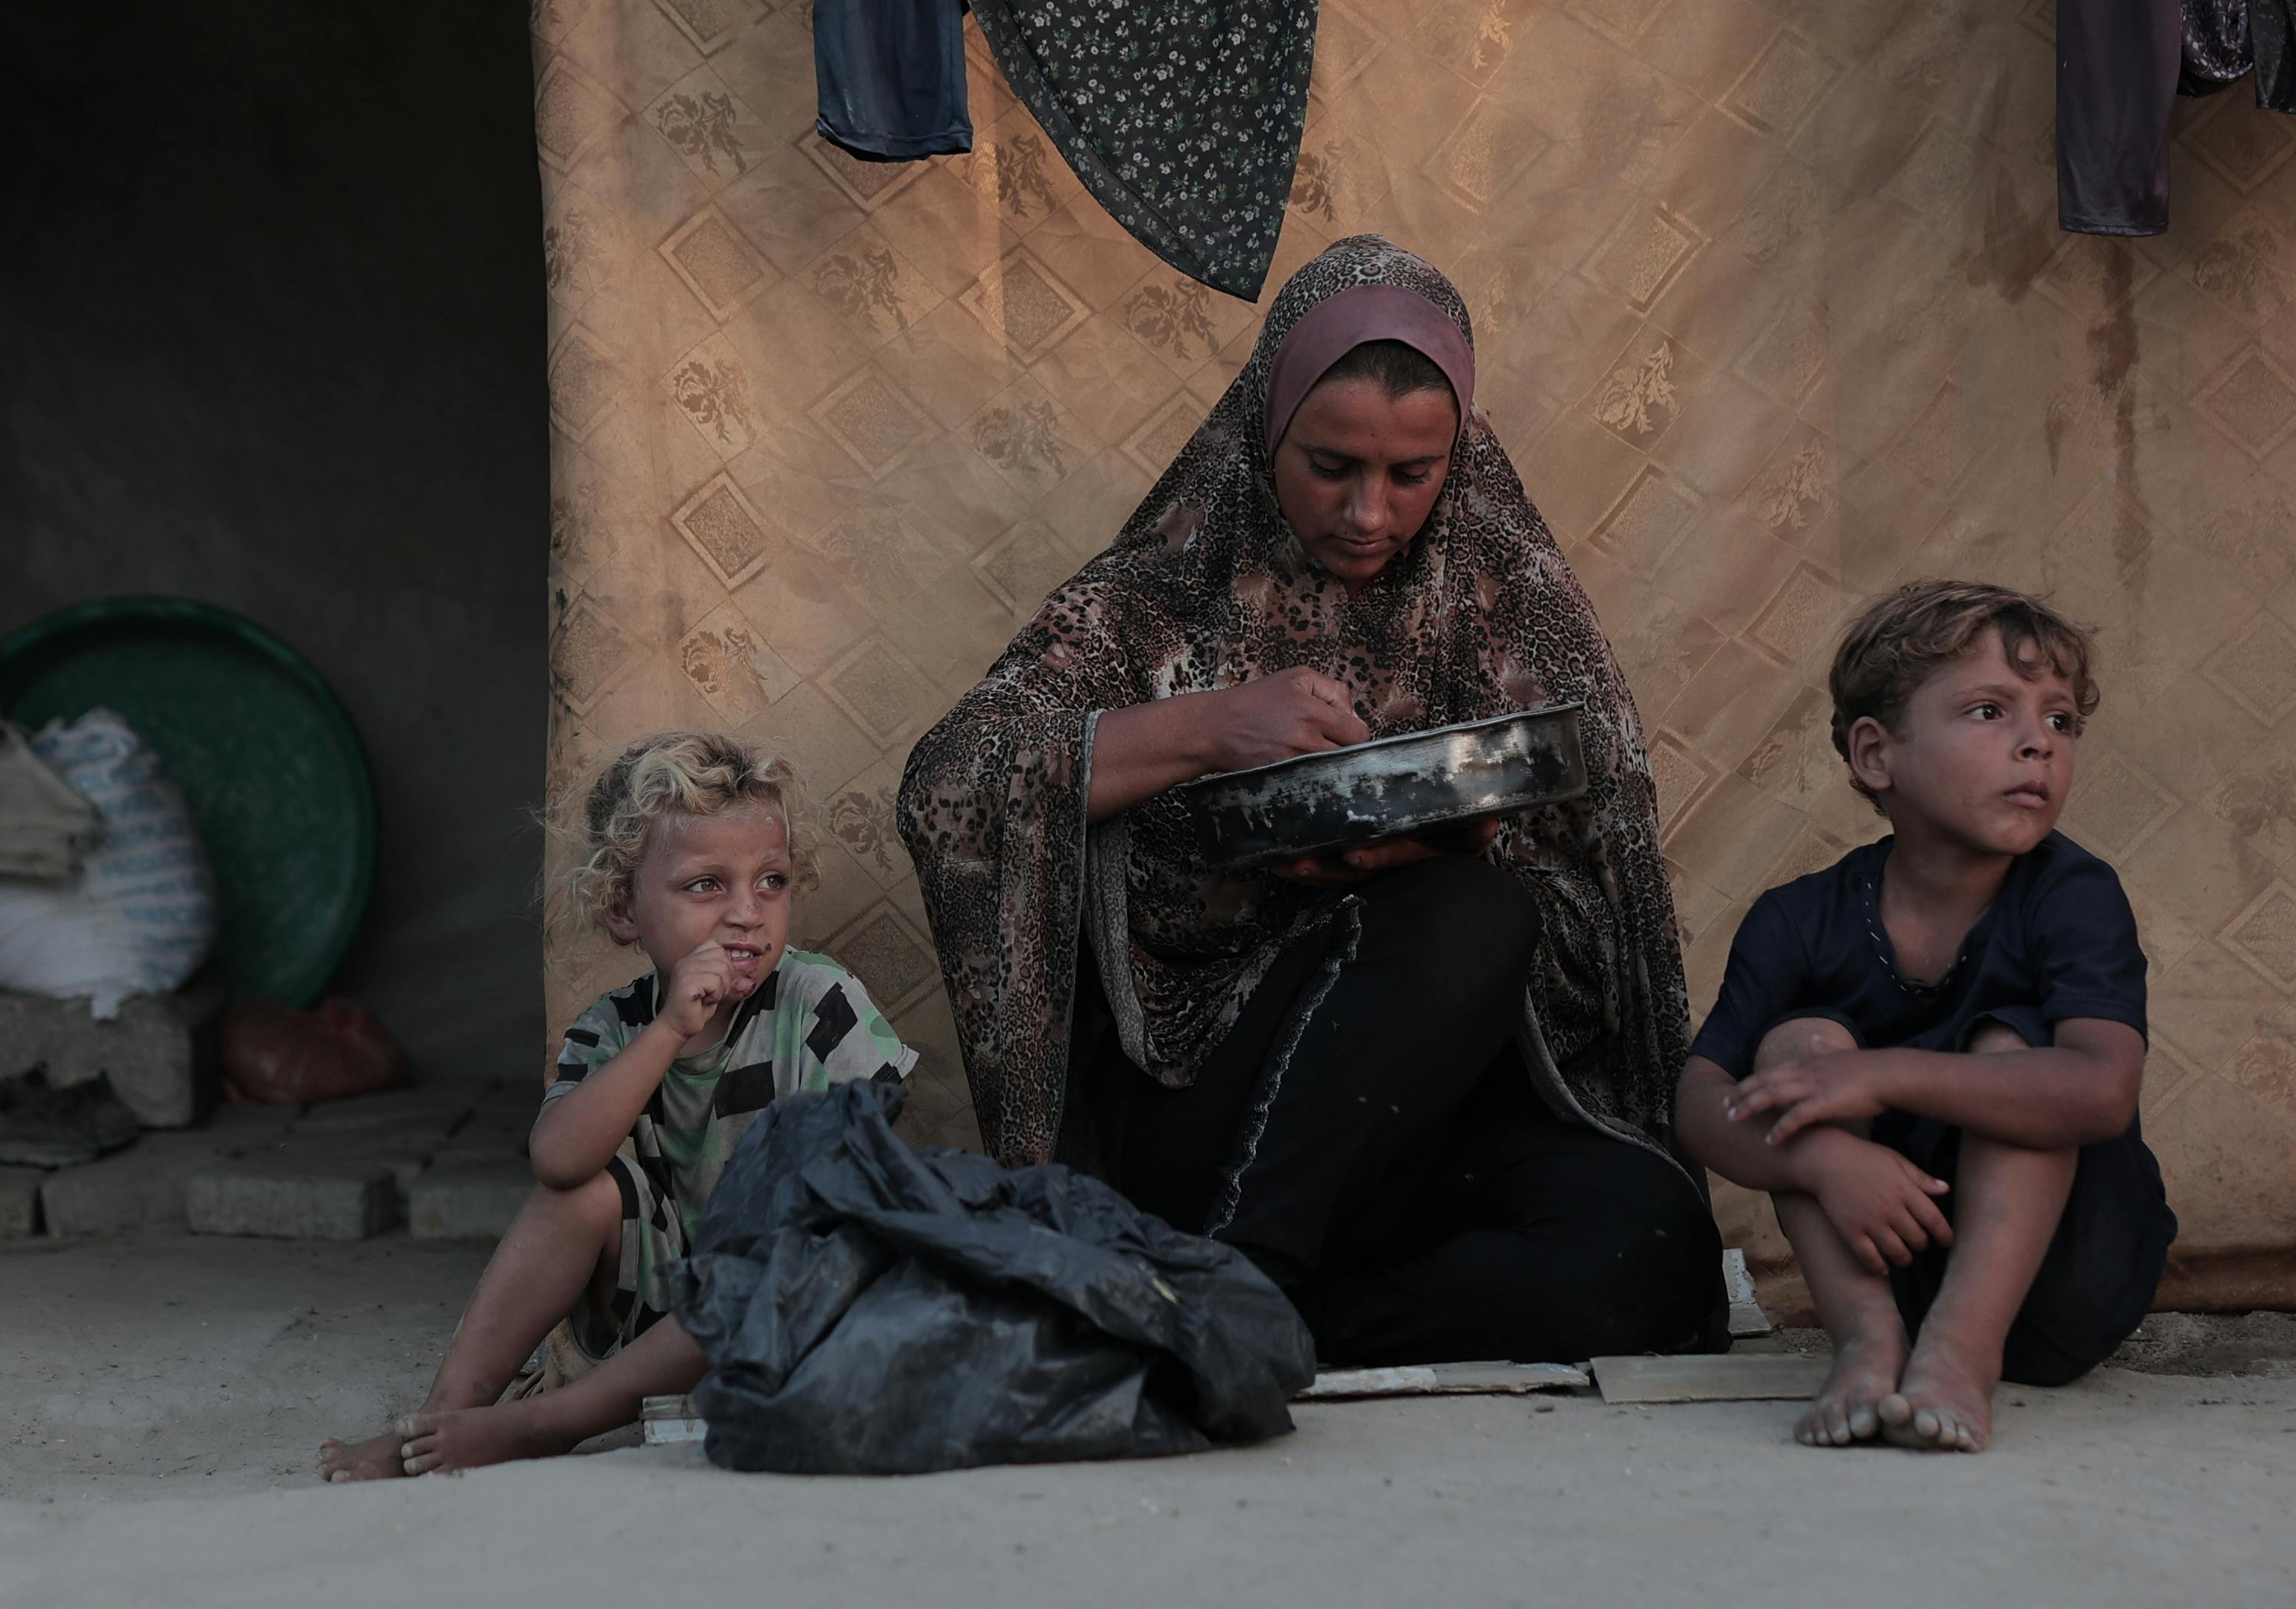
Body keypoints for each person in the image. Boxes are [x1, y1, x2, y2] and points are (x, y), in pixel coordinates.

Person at [897, 235, 1717, 1367]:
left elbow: (1596, 908)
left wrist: (1431, 851)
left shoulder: (1501, 607)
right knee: (1469, 918)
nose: (1369, 515)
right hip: (1212, 1116)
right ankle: (1241, 1286)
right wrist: (1204, 729)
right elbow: (952, 787)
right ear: (1262, 426)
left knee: (1652, 1242)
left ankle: (1261, 1318)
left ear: (1458, 458)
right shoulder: (1154, 602)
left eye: (1413, 474)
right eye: (1330, 465)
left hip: (1410, 1125)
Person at [321, 731, 912, 1478]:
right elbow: (557, 1160)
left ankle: (548, 1423)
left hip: (792, 1304)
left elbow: (865, 1186)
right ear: (624, 911)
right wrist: (671, 1029)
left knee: (798, 1236)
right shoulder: (616, 1026)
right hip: (660, 1309)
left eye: (772, 881)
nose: (747, 914)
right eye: (706, 885)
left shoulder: (820, 1004)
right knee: (581, 1194)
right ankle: (442, 1417)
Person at [1674, 579, 2174, 1454]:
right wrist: (1825, 1157)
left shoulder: (2074, 896)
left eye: (2060, 721)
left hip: (2067, 1282)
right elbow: (1698, 1099)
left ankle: (1961, 1354)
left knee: (2018, 1051)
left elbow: (2100, 1090)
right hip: (1890, 1258)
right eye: (1991, 711)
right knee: (1798, 1045)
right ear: (1877, 756)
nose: (2037, 745)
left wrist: (1877, 1074)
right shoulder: (1798, 919)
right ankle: (1869, 1348)